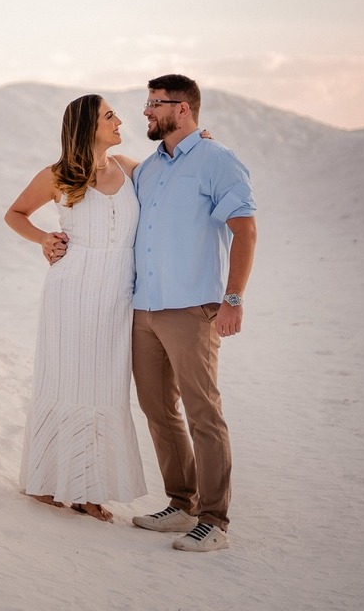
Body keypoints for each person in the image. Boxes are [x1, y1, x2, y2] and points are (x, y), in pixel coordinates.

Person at [128, 74, 257, 552]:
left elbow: (245, 231)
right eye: (146, 103)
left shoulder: (216, 160)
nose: (146, 111)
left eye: (154, 103)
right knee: (158, 409)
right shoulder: (147, 169)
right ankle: (182, 504)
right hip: (145, 309)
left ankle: (214, 521)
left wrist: (233, 298)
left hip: (192, 309)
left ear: (182, 108)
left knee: (203, 412)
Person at [5, 94, 147, 522]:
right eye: (109, 116)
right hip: (71, 292)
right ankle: (50, 482)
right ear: (89, 126)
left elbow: (177, 171)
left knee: (105, 387)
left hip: (117, 294)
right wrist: (44, 239)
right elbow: (15, 214)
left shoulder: (130, 168)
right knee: (65, 382)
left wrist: (202, 141)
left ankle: (88, 487)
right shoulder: (58, 175)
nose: (119, 121)